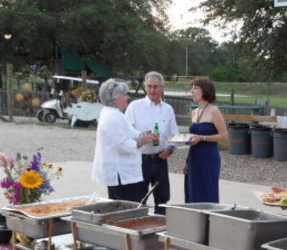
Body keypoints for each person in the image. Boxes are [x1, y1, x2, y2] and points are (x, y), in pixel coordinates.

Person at [124, 71, 178, 214]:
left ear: (162, 88)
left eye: (155, 86)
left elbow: (174, 135)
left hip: (160, 159)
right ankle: (138, 228)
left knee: (163, 199)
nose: (152, 90)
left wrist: (171, 149)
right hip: (140, 160)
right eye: (149, 86)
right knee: (138, 199)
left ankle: (160, 229)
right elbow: (126, 133)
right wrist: (143, 138)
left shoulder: (168, 109)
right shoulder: (135, 107)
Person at [91, 79, 149, 202]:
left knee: (118, 208)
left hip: (121, 174)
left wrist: (144, 135)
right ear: (115, 99)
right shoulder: (112, 116)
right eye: (124, 95)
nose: (127, 97)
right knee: (127, 209)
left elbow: (132, 132)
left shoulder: (116, 114)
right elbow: (123, 145)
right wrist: (141, 141)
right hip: (121, 175)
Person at [184, 77, 227, 203]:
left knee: (207, 194)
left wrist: (202, 138)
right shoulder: (194, 112)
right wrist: (187, 161)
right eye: (192, 88)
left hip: (208, 158)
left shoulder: (214, 111)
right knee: (192, 193)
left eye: (196, 88)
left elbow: (224, 135)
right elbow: (193, 138)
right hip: (194, 158)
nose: (192, 91)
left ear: (205, 90)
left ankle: (208, 222)